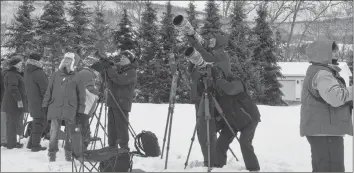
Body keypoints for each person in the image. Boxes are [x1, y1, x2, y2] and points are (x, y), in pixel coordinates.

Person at [300, 40, 353, 172]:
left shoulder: (320, 71)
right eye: (333, 50)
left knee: (324, 167)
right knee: (331, 168)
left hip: (324, 129)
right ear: (323, 54)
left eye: (336, 50)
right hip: (324, 131)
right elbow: (335, 98)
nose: (337, 52)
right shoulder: (323, 73)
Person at [186, 32, 231, 167]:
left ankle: (211, 161)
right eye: (209, 39)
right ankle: (210, 159)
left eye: (213, 39)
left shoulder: (220, 54)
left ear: (219, 41)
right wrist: (193, 54)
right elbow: (191, 71)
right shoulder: (210, 55)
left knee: (206, 130)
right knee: (203, 131)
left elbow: (207, 58)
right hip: (200, 95)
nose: (210, 41)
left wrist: (195, 43)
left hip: (212, 96)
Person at [210, 66, 261, 172]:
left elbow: (231, 90)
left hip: (249, 119)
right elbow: (218, 112)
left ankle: (253, 168)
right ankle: (218, 167)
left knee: (244, 142)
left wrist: (218, 80)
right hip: (233, 121)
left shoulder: (236, 81)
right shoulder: (218, 91)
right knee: (221, 142)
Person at [42, 52, 86, 162]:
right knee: (53, 132)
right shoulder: (56, 74)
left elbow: (82, 95)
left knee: (70, 134)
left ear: (73, 62)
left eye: (69, 59)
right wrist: (45, 105)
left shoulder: (77, 76)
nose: (66, 60)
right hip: (54, 107)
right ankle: (52, 154)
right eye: (65, 58)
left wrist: (81, 111)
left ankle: (68, 154)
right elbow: (49, 91)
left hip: (71, 109)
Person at [91, 50, 138, 151]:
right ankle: (112, 146)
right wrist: (103, 69)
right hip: (113, 101)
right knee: (111, 126)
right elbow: (108, 79)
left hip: (122, 103)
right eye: (121, 57)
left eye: (124, 58)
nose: (122, 59)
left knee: (121, 126)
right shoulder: (118, 69)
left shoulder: (131, 72)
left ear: (129, 61)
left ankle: (124, 148)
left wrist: (109, 67)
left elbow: (119, 80)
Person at [76, 61, 104, 149]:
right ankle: (83, 142)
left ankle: (86, 137)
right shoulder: (87, 74)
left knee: (83, 120)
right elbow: (89, 88)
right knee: (82, 120)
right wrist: (99, 94)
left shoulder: (85, 72)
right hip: (82, 102)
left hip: (79, 101)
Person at [1, 55, 27, 149]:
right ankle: (11, 144)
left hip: (11, 102)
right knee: (12, 123)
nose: (21, 64)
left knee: (13, 122)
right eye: (20, 63)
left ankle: (12, 142)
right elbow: (13, 88)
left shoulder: (15, 73)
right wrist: (19, 100)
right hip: (12, 103)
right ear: (15, 64)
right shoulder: (12, 74)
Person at [24, 52, 49, 152]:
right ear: (38, 61)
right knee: (40, 123)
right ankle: (35, 145)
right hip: (40, 102)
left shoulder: (28, 71)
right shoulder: (39, 73)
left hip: (32, 101)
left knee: (36, 122)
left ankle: (31, 143)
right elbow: (45, 90)